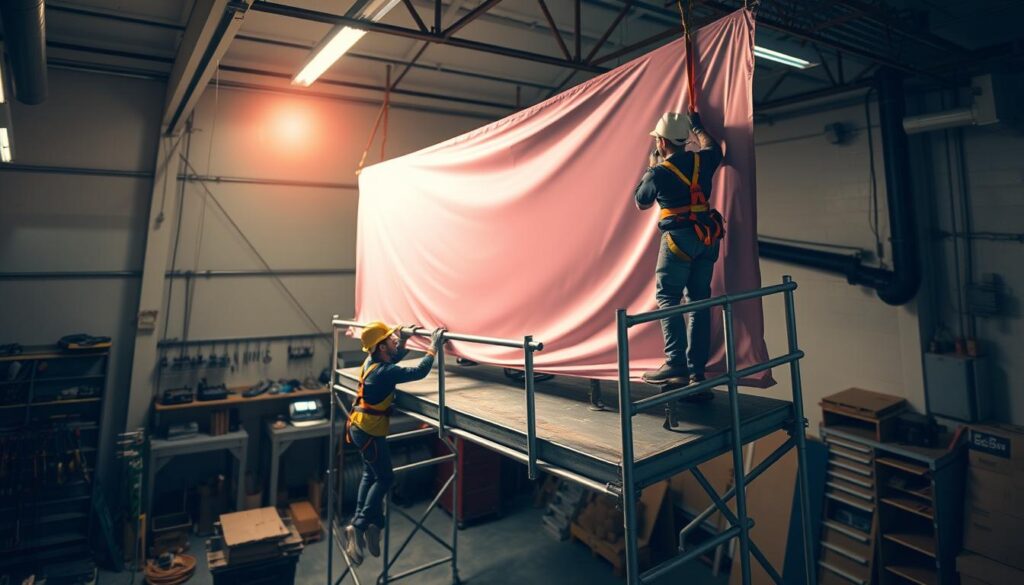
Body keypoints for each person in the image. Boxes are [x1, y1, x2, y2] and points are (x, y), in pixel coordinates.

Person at [634, 111, 725, 424]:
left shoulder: (660, 172)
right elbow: (715, 148)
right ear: (684, 140)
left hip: (678, 240)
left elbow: (642, 202)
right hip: (707, 237)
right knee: (700, 301)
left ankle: (675, 365)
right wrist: (698, 126)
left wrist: (652, 168)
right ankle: (697, 376)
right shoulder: (705, 160)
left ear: (660, 141)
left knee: (669, 298)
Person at [344, 321, 446, 565]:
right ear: (380, 346)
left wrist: (405, 339)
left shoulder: (373, 363)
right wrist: (433, 346)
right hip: (369, 432)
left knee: (370, 476)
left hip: (361, 427)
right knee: (386, 479)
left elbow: (394, 358)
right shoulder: (385, 372)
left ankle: (374, 525)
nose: (395, 341)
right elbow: (419, 372)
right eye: (391, 339)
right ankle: (359, 526)